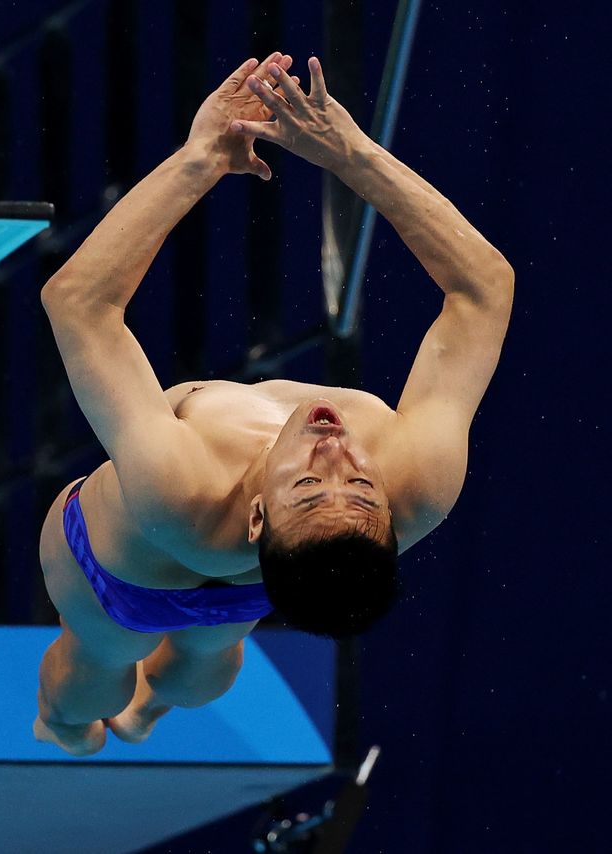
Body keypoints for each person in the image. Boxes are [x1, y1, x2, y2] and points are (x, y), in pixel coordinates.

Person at [34, 52, 513, 756]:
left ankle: (64, 726)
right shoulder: (418, 485)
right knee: (205, 659)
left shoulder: (178, 485)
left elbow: (78, 304)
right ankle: (142, 716)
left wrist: (197, 162)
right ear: (389, 517)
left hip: (120, 572)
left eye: (311, 486)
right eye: (360, 482)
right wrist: (353, 155)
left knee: (99, 661)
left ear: (259, 517)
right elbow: (484, 292)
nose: (337, 448)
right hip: (259, 579)